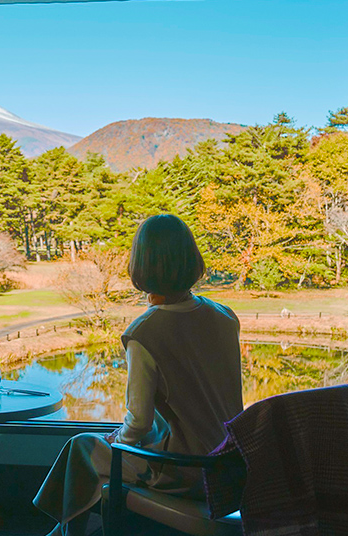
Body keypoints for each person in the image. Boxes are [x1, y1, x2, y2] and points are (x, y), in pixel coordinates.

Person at [33, 214, 243, 536]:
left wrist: (114, 440)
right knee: (113, 450)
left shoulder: (145, 332)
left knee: (82, 447)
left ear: (141, 265)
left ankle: (61, 532)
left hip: (187, 471)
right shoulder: (224, 316)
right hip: (228, 466)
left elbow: (138, 422)